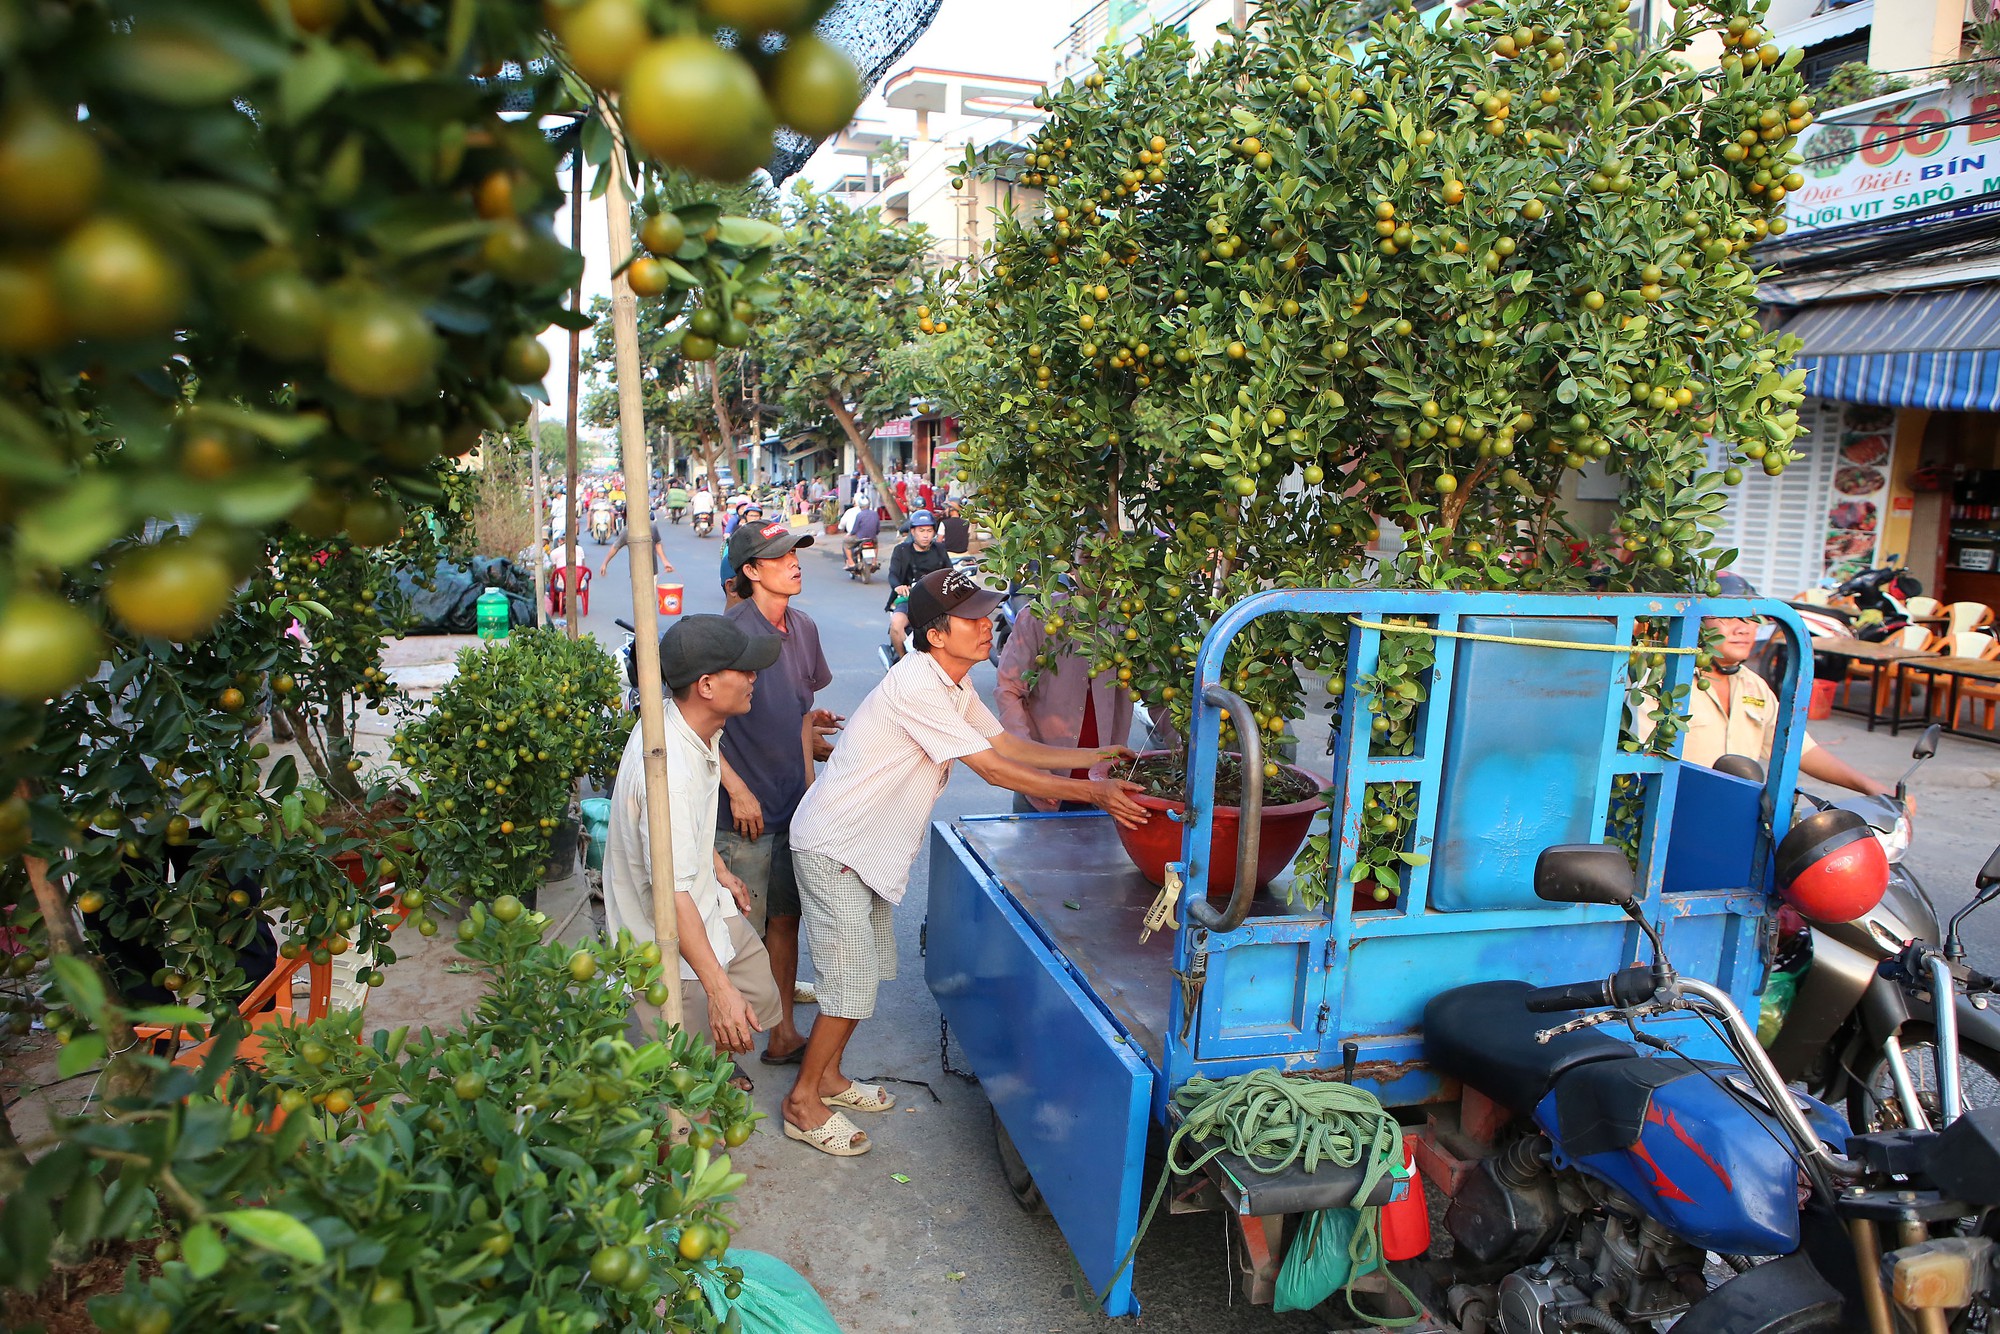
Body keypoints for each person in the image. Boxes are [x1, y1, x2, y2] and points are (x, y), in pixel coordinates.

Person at [780, 568, 1149, 1155]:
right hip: (838, 846)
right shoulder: (919, 686)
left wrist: (1093, 755)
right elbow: (995, 771)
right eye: (972, 619)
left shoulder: (952, 682)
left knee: (865, 973)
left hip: (865, 850)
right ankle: (803, 1102)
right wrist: (1094, 792)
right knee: (849, 984)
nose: (987, 626)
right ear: (934, 635)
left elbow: (1005, 743)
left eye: (987, 615)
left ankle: (828, 1077)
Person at [601, 616, 784, 1073]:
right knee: (684, 1099)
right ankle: (697, 1110)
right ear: (705, 685)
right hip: (669, 945)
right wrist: (718, 990)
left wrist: (721, 872)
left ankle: (717, 1072)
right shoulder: (670, 777)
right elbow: (671, 894)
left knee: (758, 999)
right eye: (741, 670)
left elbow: (685, 844)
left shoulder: (688, 726)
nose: (752, 678)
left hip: (709, 905)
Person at [716, 519, 841, 1068]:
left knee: (785, 921)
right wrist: (737, 789)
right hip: (738, 815)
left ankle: (783, 1032)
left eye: (796, 554)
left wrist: (811, 776)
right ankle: (720, 1058)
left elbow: (798, 712)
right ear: (750, 571)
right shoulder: (730, 633)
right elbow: (695, 726)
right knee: (735, 935)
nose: (794, 563)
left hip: (793, 804)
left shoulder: (805, 627)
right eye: (781, 556)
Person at [1639, 574, 1899, 800]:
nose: (1743, 629)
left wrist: (1869, 786)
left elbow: (1797, 749)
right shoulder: (1660, 683)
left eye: (1750, 619)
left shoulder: (1755, 686)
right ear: (1697, 623)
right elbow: (1640, 765)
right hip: (1672, 815)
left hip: (1736, 816)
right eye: (1728, 618)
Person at [995, 594, 1167, 813]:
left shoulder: (1134, 625)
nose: (1098, 570)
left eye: (1107, 562)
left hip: (1108, 787)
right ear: (1073, 563)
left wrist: (1188, 749)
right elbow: (1008, 691)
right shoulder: (1040, 617)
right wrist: (1031, 762)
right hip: (1043, 791)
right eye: (1087, 558)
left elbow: (1160, 699)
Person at [884, 510, 951, 660]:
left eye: (929, 530)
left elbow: (949, 571)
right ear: (913, 532)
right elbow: (893, 574)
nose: (926, 535)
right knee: (896, 625)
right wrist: (898, 587)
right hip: (909, 600)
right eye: (921, 531)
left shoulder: (940, 549)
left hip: (935, 601)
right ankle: (903, 661)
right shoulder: (901, 550)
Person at [597, 510, 673, 581]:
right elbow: (615, 547)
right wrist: (605, 563)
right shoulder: (628, 530)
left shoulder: (651, 526)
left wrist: (665, 562)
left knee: (650, 593)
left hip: (651, 571)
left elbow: (657, 544)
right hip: (636, 572)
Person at [719, 501, 765, 609]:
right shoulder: (737, 530)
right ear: (746, 516)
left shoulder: (764, 532)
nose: (753, 518)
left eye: (756, 515)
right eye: (751, 515)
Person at [841, 497, 881, 573]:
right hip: (872, 538)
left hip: (860, 538)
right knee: (875, 545)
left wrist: (850, 534)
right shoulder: (875, 514)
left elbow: (855, 529)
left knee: (846, 543)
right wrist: (875, 534)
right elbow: (878, 528)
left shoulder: (860, 515)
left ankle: (851, 563)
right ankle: (874, 561)